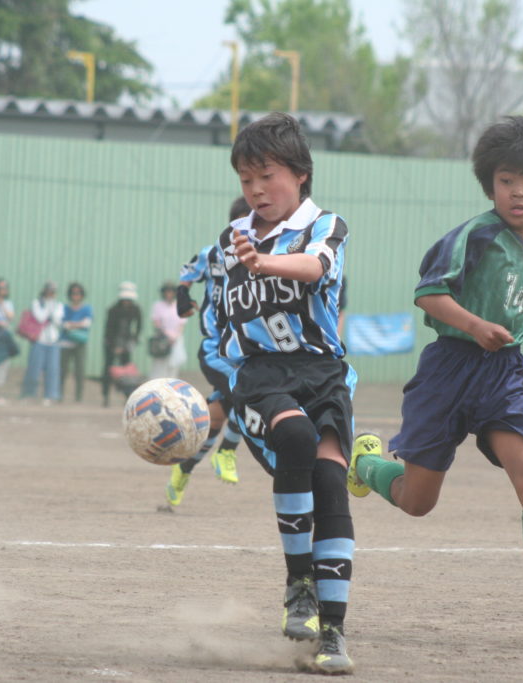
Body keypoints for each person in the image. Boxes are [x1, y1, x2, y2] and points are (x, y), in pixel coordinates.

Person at [345, 116, 523, 650]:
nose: (519, 191)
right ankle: (366, 463)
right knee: (418, 501)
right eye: (507, 179)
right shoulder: (474, 236)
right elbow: (428, 295)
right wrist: (474, 325)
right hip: (448, 369)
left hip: (502, 376)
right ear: (490, 183)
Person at [216, 112, 355, 674]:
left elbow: (315, 266)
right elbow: (230, 316)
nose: (253, 189)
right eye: (245, 178)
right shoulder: (235, 237)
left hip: (322, 372)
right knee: (295, 436)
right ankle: (299, 583)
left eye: (264, 175)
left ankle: (334, 634)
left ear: (299, 174)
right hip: (264, 374)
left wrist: (264, 261)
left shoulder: (328, 225)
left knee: (330, 482)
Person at [163, 197, 251, 508]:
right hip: (216, 349)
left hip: (247, 352)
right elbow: (187, 273)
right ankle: (227, 451)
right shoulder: (212, 253)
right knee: (253, 392)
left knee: (214, 419)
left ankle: (183, 470)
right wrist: (183, 295)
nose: (248, 229)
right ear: (231, 225)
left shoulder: (265, 257)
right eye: (242, 223)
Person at [20, 281, 64, 405]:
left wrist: (51, 308)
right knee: (34, 368)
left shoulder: (58, 305)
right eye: (49, 291)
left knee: (53, 369)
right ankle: (29, 393)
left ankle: (50, 395)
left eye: (53, 291)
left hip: (53, 340)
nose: (51, 293)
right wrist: (47, 307)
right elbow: (40, 317)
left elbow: (58, 320)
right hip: (39, 339)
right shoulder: (37, 303)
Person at [101, 281, 142, 407]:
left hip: (126, 343)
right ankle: (106, 396)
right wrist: (114, 346)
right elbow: (108, 329)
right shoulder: (113, 310)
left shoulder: (136, 309)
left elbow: (139, 326)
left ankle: (127, 396)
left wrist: (134, 339)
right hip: (112, 343)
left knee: (127, 371)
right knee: (108, 369)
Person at [59, 282, 92, 402]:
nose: (75, 296)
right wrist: (78, 324)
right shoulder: (64, 308)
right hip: (65, 343)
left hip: (80, 343)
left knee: (80, 371)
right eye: (73, 293)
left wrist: (71, 325)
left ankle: (79, 397)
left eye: (78, 293)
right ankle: (59, 394)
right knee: (62, 370)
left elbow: (87, 323)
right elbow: (63, 324)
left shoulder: (87, 308)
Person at [147, 282, 188, 379]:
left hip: (176, 339)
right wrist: (165, 335)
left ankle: (170, 389)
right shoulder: (158, 305)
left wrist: (175, 337)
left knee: (173, 366)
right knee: (159, 365)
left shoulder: (180, 305)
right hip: (162, 339)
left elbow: (181, 324)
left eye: (171, 292)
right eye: (166, 292)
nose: (168, 294)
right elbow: (156, 322)